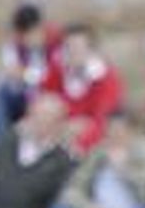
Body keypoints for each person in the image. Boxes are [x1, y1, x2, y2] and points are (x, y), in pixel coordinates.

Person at [40, 24, 124, 154]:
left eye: (78, 48)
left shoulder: (106, 78)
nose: (72, 52)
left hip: (91, 138)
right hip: (58, 131)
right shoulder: (56, 71)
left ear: (90, 50)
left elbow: (102, 120)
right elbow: (43, 103)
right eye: (68, 47)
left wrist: (79, 134)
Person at [0, 3, 60, 147]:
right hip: (21, 99)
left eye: (31, 34)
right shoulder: (14, 47)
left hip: (49, 96)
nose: (28, 40)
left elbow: (52, 77)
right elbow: (7, 76)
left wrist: (26, 74)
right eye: (23, 36)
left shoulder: (56, 44)